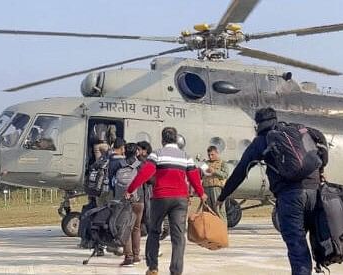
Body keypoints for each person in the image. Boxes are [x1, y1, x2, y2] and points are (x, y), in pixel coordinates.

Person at [216, 107, 326, 275]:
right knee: (318, 238)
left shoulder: (262, 140)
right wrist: (321, 169)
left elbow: (240, 171)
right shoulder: (298, 130)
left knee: (297, 245)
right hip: (316, 192)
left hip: (291, 196)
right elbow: (321, 143)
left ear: (258, 124)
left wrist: (222, 196)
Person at [125, 127, 207, 275]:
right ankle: (176, 271)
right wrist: (201, 193)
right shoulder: (185, 156)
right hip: (180, 199)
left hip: (160, 198)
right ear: (176, 139)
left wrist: (131, 189)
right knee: (178, 237)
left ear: (163, 140)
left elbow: (145, 174)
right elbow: (194, 176)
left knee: (154, 232)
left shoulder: (157, 154)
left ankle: (153, 268)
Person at [120, 143, 145, 267]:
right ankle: (136, 256)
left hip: (125, 199)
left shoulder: (120, 164)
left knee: (126, 228)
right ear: (136, 152)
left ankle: (128, 256)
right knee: (136, 228)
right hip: (139, 199)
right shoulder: (141, 165)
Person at [202, 145, 229, 223]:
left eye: (212, 155)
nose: (210, 157)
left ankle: (223, 228)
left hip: (216, 189)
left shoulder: (222, 163)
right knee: (207, 210)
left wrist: (214, 171)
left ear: (217, 153)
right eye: (209, 155)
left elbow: (225, 174)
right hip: (206, 189)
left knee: (219, 210)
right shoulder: (205, 163)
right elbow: (201, 174)